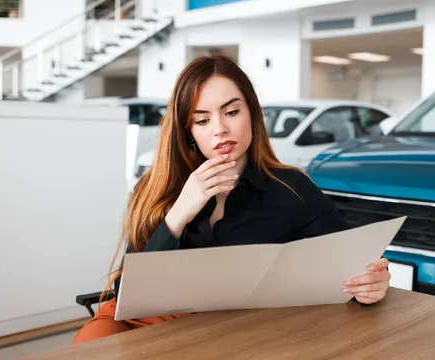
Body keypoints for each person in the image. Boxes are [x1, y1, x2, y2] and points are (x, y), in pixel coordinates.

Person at [73, 55, 391, 344]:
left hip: (232, 332)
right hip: (146, 320)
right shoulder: (154, 186)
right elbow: (128, 292)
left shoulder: (291, 186)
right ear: (188, 133)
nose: (220, 129)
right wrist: (179, 213)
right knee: (91, 344)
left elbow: (354, 259)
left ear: (252, 114)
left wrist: (373, 280)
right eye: (202, 120)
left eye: (232, 112)